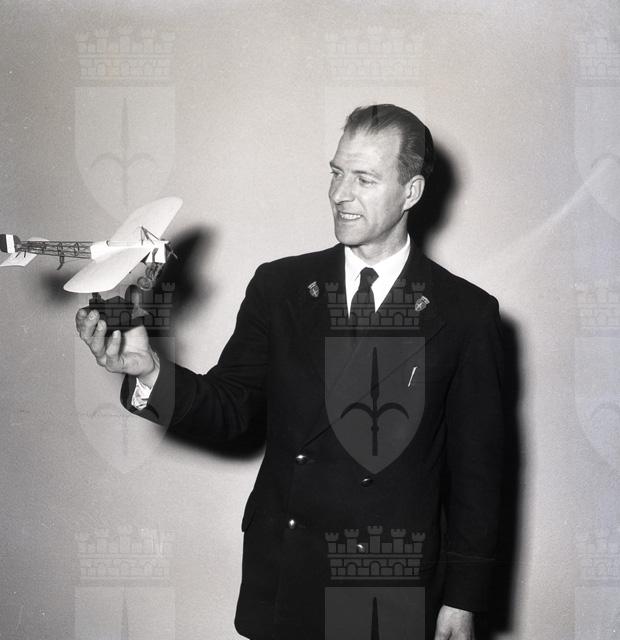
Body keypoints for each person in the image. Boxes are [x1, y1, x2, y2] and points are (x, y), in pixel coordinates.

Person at [76, 104, 504, 640]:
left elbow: (477, 475)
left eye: (364, 179)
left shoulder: (465, 314)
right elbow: (231, 409)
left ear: (411, 192)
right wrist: (150, 372)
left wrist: (462, 599)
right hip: (288, 573)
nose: (340, 194)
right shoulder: (279, 287)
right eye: (336, 172)